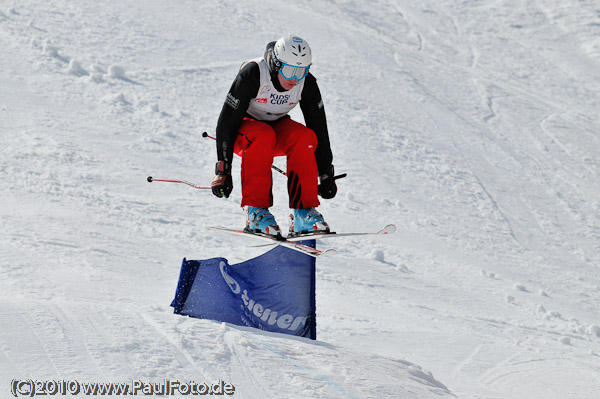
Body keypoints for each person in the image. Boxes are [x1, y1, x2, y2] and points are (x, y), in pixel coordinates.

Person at [210, 35, 338, 237]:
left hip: (275, 128)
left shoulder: (306, 83)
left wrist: (325, 173)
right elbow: (226, 121)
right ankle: (256, 211)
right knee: (263, 135)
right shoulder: (253, 73)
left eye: (302, 71)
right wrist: (223, 170)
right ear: (276, 64)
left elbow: (319, 127)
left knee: (304, 137)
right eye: (289, 71)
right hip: (244, 132)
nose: (295, 79)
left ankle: (303, 213)